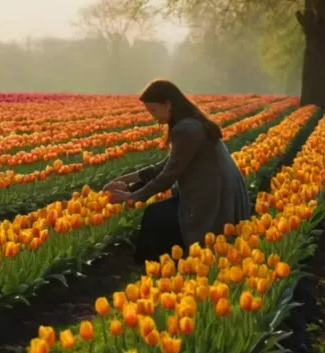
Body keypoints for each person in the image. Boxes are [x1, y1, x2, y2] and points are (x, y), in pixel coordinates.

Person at [104, 79, 252, 263]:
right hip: (220, 190)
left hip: (213, 198)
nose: (153, 117)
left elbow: (168, 176)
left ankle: (154, 266)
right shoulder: (191, 123)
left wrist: (131, 197)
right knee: (163, 212)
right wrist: (126, 180)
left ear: (168, 104)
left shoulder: (186, 129)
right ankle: (166, 264)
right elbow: (165, 166)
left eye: (154, 111)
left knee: (156, 214)